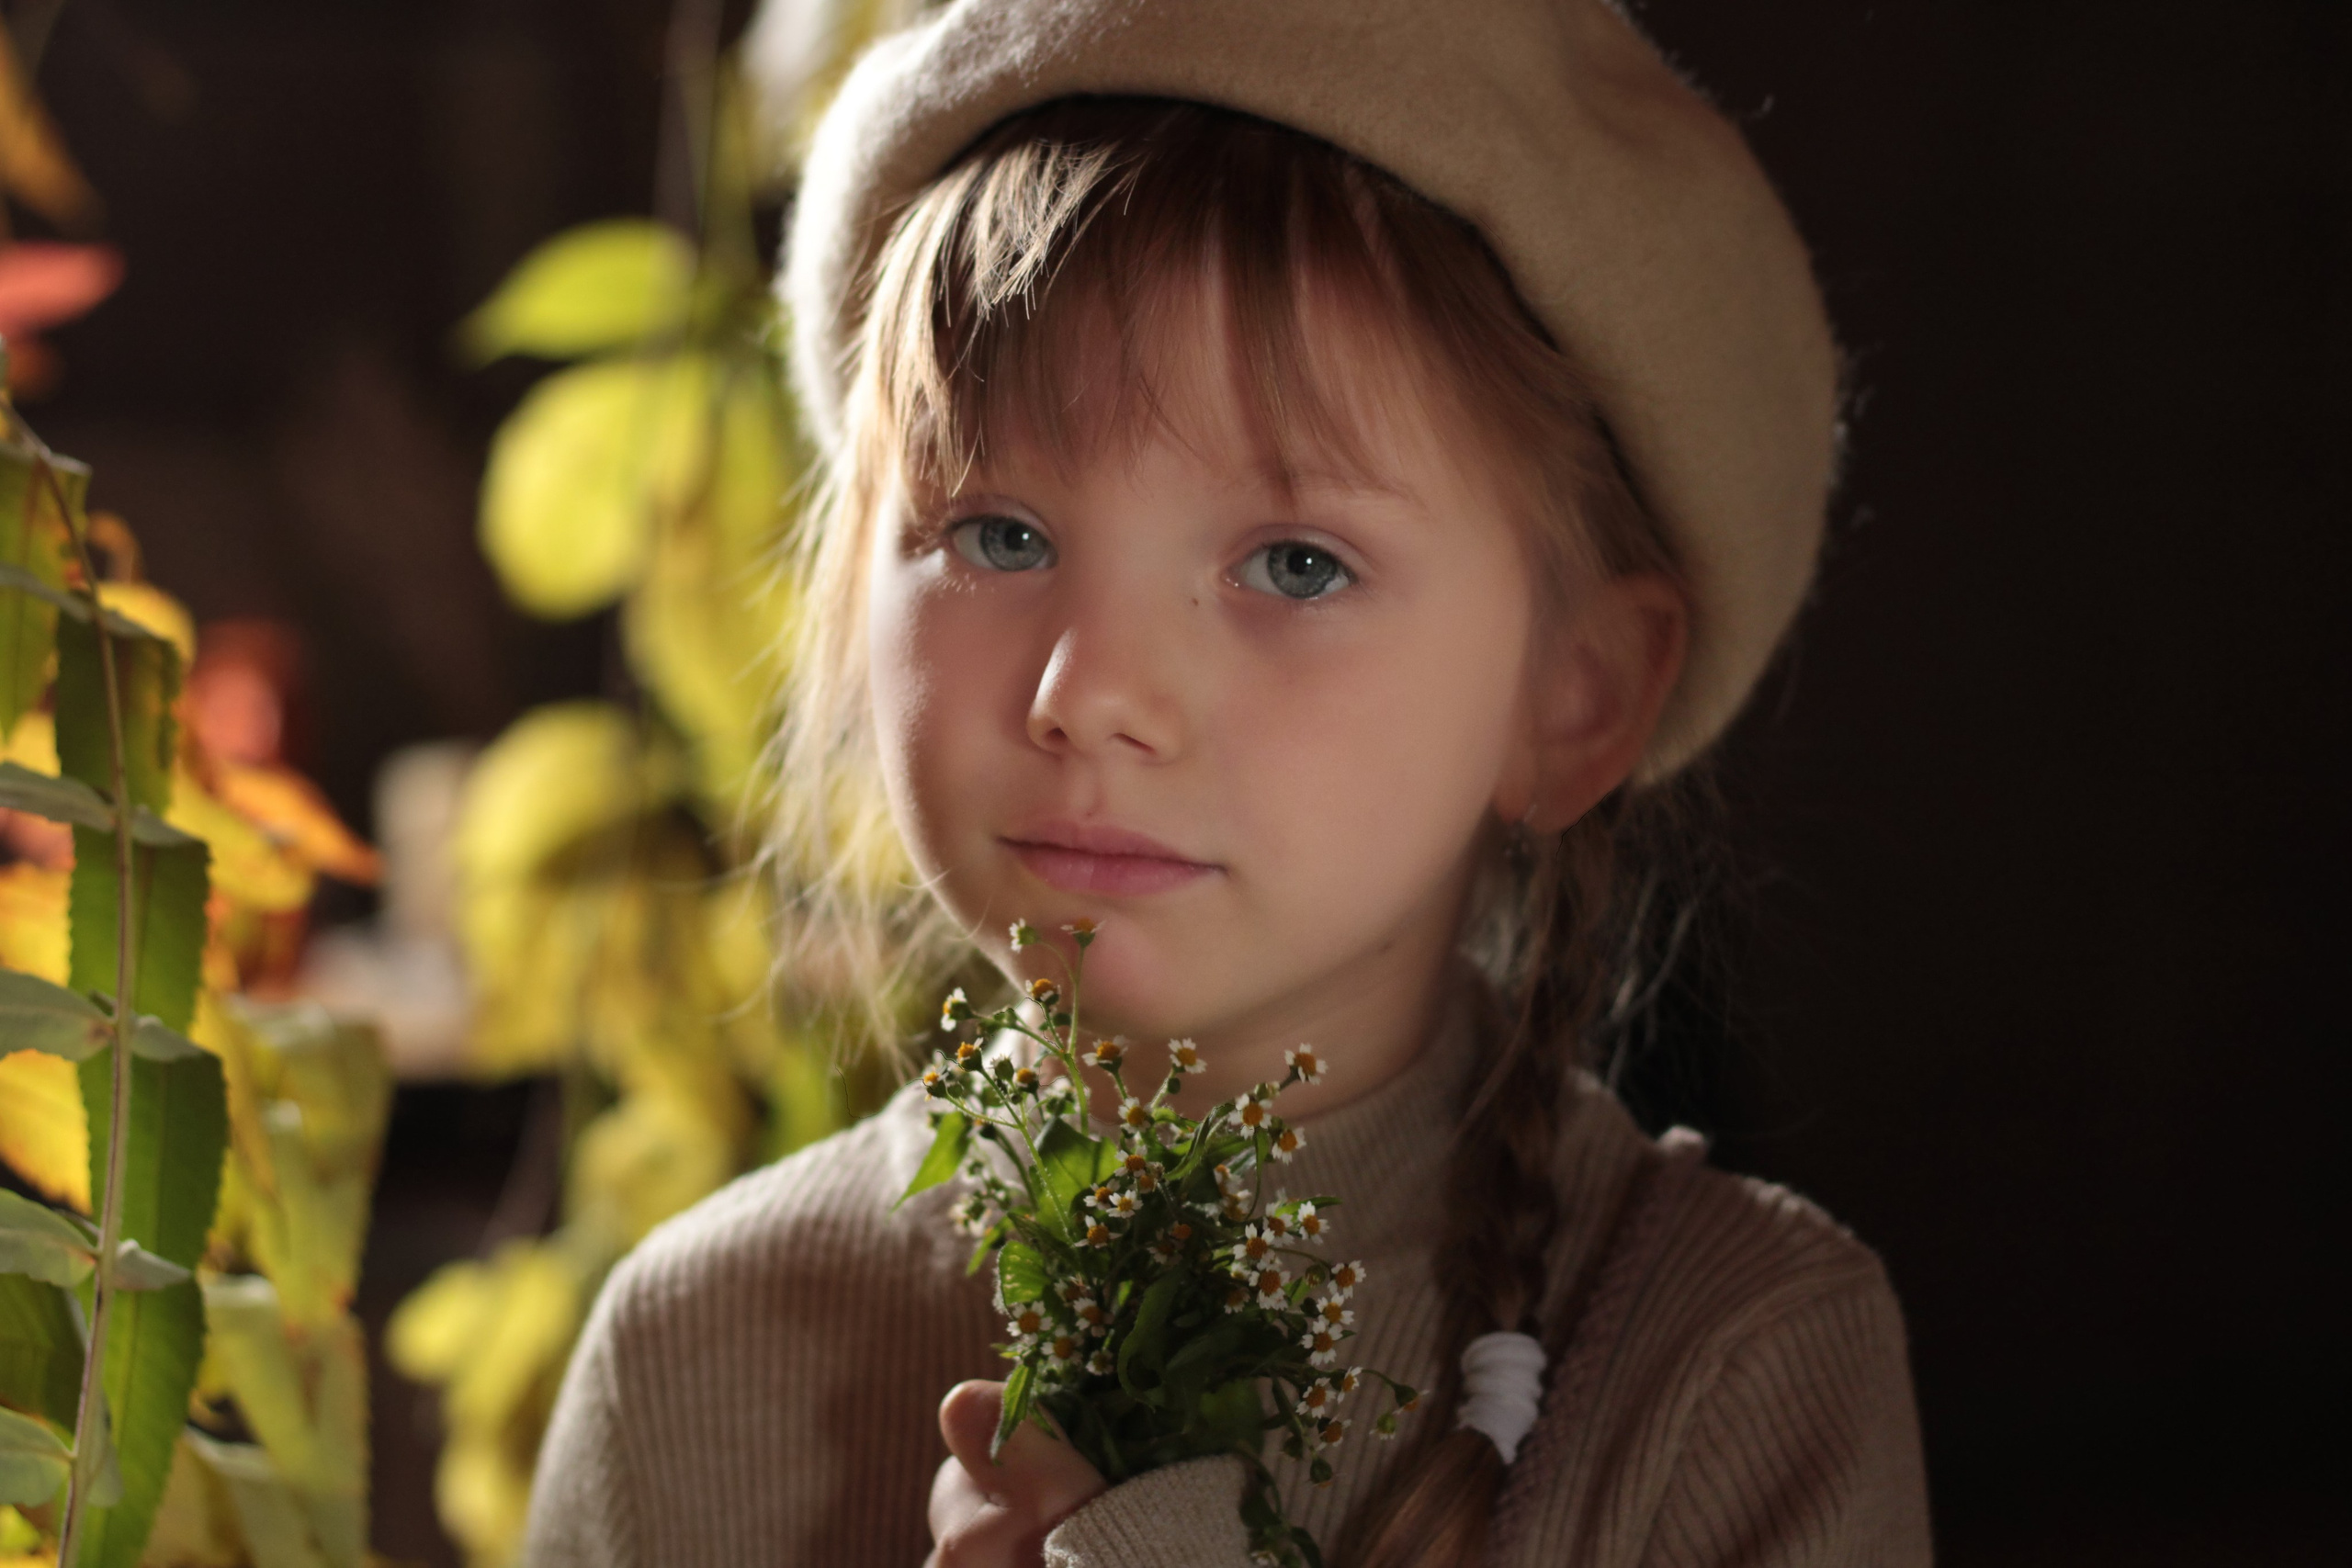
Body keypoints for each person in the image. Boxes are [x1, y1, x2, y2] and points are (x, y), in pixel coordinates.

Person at [522, 2, 1931, 1564]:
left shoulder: (1731, 1368)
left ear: (1572, 693)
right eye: (998, 535)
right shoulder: (690, 1355)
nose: (1090, 694)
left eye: (1295, 563)